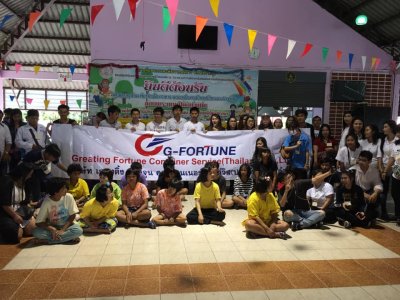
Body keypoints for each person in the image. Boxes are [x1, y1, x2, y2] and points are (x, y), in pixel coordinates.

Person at [33, 177, 83, 244]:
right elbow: (38, 222)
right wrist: (52, 229)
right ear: (55, 192)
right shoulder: (47, 202)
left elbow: (72, 215)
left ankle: (47, 241)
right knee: (36, 232)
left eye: (66, 187)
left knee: (78, 230)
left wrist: (63, 230)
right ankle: (68, 238)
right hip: (53, 227)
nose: (66, 190)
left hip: (67, 226)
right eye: (63, 188)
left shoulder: (69, 197)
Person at [0, 163, 35, 244]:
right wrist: (15, 215)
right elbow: (5, 204)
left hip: (20, 212)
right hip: (6, 213)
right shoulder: (7, 181)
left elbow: (25, 202)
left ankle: (20, 228)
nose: (30, 176)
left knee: (32, 229)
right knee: (17, 235)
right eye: (29, 174)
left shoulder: (25, 183)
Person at [350, 150, 382, 223]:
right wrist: (363, 194)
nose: (361, 162)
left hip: (368, 192)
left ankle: (368, 215)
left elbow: (378, 184)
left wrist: (376, 193)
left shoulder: (374, 171)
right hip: (355, 193)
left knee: (378, 197)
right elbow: (350, 186)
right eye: (360, 159)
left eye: (364, 160)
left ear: (370, 161)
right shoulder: (352, 170)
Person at [379, 120, 398, 220]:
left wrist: (386, 170)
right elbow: (380, 155)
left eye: (385, 127)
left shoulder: (397, 140)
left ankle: (397, 214)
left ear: (391, 128)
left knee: (395, 192)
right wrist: (382, 168)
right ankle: (384, 213)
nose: (383, 129)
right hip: (384, 166)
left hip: (395, 167)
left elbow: (393, 157)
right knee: (384, 191)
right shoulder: (383, 140)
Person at [389, 136, 400, 226]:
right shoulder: (396, 145)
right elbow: (392, 158)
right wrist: (385, 170)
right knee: (395, 195)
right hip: (396, 174)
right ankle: (398, 216)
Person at [0, 110, 12, 175]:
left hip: (2, 155)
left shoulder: (4, 127)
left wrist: (6, 153)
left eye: (0, 118)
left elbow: (9, 142)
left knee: (2, 176)